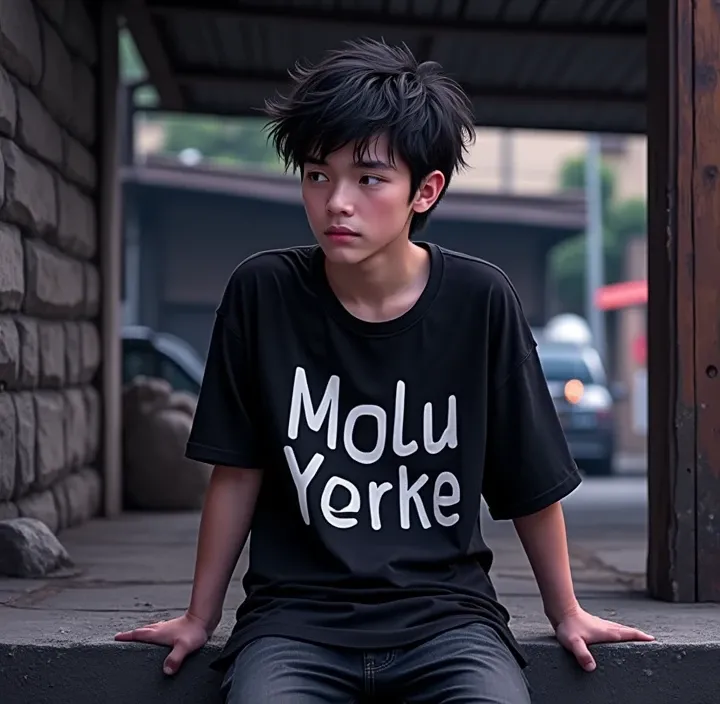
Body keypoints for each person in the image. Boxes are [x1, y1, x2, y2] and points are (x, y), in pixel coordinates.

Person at [115, 38, 654, 703]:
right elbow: (237, 470)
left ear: (424, 191)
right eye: (317, 174)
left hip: (450, 624)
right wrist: (200, 617)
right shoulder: (262, 293)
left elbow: (530, 482)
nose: (337, 201)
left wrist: (566, 612)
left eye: (369, 179)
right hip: (293, 626)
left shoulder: (479, 301)